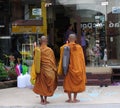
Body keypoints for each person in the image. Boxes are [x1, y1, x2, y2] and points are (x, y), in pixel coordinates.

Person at [58, 34, 86, 103]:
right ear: (75, 39)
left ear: (68, 39)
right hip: (77, 68)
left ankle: (70, 99)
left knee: (68, 84)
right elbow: (82, 59)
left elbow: (62, 58)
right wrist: (82, 69)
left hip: (68, 69)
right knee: (75, 84)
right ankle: (74, 99)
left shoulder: (65, 47)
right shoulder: (79, 47)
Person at [33, 36, 57, 105]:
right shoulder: (50, 50)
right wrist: (55, 69)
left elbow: (35, 59)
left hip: (41, 70)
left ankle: (41, 100)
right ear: (46, 41)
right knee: (46, 84)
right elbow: (53, 61)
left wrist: (35, 48)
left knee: (41, 84)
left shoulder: (38, 50)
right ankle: (45, 100)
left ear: (40, 41)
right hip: (48, 70)